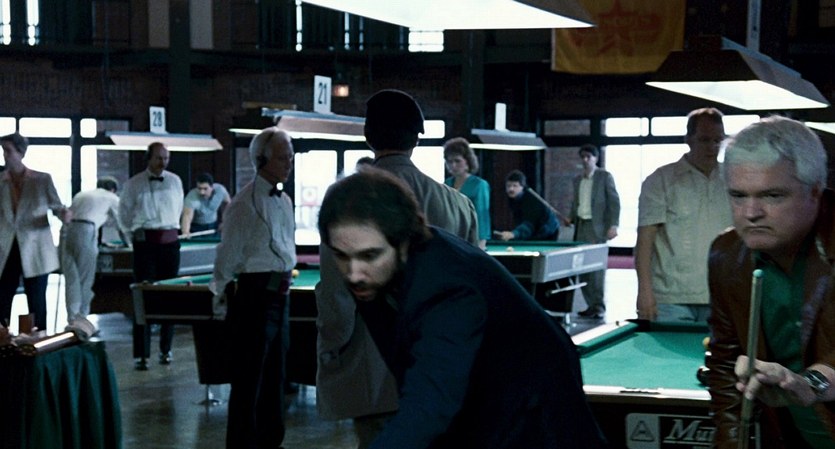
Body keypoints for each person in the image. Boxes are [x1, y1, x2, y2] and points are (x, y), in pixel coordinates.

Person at [318, 168, 606, 448]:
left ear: (403, 242)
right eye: (341, 256)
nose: (353, 273)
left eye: (369, 255)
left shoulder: (446, 287)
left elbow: (429, 407)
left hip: (535, 408)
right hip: (484, 400)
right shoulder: (375, 272)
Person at [316, 89, 478, 448]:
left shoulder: (344, 202)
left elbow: (336, 295)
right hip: (442, 364)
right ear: (416, 139)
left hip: (373, 367)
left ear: (368, 136)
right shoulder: (458, 205)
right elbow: (473, 294)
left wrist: (334, 350)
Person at [707, 116, 835, 448]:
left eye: (773, 196)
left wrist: (813, 384)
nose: (751, 213)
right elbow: (725, 361)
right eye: (738, 195)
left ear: (815, 192)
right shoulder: (726, 254)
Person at [210, 127, 296, 449]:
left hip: (281, 295)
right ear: (261, 160)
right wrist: (220, 294)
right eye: (283, 157)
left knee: (277, 375)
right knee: (249, 379)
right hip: (254, 296)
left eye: (291, 157)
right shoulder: (243, 204)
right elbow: (227, 256)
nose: (289, 163)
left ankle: (272, 442)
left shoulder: (284, 200)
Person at [635, 107, 732, 322]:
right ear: (688, 139)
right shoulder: (661, 180)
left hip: (722, 295)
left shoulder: (733, 178)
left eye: (718, 140)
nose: (712, 147)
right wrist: (644, 291)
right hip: (671, 297)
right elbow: (645, 240)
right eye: (704, 140)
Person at [119, 142, 184, 370]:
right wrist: (135, 236)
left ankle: (166, 349)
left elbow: (178, 210)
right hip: (145, 243)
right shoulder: (133, 183)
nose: (163, 162)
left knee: (170, 296)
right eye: (159, 158)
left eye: (166, 158)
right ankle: (141, 354)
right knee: (142, 296)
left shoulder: (175, 181)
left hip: (170, 242)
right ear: (148, 158)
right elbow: (124, 214)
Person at [0, 133, 71, 332]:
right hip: (6, 247)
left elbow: (56, 206)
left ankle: (39, 340)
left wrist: (63, 214)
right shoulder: (1, 181)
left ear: (21, 153)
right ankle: (2, 339)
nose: (4, 155)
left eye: (8, 151)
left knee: (36, 299)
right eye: (3, 151)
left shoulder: (41, 179)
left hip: (36, 247)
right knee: (3, 297)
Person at [60, 176, 128, 332]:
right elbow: (121, 224)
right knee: (85, 278)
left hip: (67, 231)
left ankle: (72, 319)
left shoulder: (81, 195)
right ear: (113, 189)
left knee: (72, 279)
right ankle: (82, 321)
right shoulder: (111, 197)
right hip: (86, 231)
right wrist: (128, 244)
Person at [568, 144, 621, 319]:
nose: (585, 160)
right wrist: (571, 218)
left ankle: (598, 305)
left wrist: (614, 225)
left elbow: (614, 202)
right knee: (582, 268)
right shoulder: (577, 179)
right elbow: (576, 203)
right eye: (583, 157)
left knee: (596, 270)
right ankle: (590, 305)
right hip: (581, 226)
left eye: (588, 157)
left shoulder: (604, 177)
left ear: (595, 158)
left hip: (596, 228)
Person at [444, 137, 491, 248]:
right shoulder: (447, 184)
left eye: (457, 161)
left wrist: (481, 242)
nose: (453, 165)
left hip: (471, 237)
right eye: (449, 161)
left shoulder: (479, 185)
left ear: (467, 161)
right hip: (450, 236)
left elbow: (482, 215)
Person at [494, 169, 560, 241]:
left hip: (547, 233)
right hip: (537, 231)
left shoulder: (531, 200)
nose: (511, 189)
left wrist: (514, 234)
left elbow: (529, 224)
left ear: (522, 187)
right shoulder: (514, 199)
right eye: (508, 186)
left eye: (515, 186)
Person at [180, 172, 231, 238]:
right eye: (199, 188)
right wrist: (185, 232)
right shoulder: (192, 197)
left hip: (214, 226)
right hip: (196, 228)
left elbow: (227, 204)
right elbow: (187, 215)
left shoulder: (220, 190)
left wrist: (225, 222)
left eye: (205, 189)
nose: (202, 192)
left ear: (212, 187)